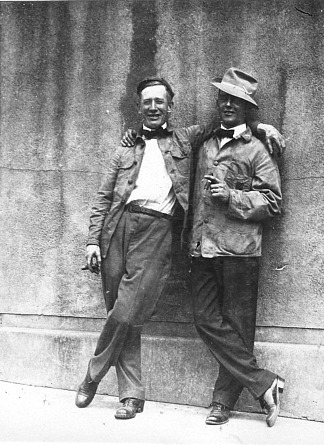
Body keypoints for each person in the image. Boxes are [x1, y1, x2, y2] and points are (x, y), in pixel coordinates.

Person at [78, 77, 215, 420]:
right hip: (117, 227)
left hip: (157, 229)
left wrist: (260, 126)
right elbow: (103, 197)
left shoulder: (185, 138)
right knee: (122, 315)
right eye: (147, 102)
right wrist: (93, 240)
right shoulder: (125, 148)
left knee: (127, 311)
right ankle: (131, 397)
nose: (153, 107)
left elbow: (222, 123)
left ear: (171, 106)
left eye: (160, 101)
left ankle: (93, 374)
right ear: (139, 107)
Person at [189, 67, 285, 427]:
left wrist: (232, 197)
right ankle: (264, 383)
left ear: (248, 108)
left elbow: (273, 202)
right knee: (204, 319)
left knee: (238, 328)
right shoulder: (206, 143)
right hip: (202, 247)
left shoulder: (258, 149)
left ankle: (222, 402)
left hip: (240, 251)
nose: (229, 104)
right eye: (224, 98)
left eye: (238, 100)